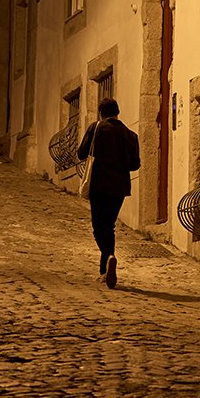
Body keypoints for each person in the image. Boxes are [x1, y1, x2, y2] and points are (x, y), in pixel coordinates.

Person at [77, 98, 139, 288]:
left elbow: (81, 153)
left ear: (101, 113)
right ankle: (104, 270)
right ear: (117, 112)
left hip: (98, 184)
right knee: (109, 226)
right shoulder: (131, 135)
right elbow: (135, 164)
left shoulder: (96, 128)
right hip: (119, 187)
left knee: (99, 227)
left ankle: (109, 257)